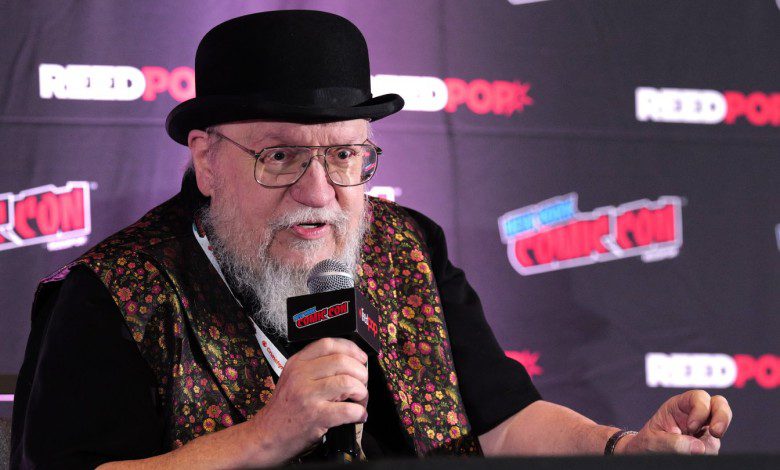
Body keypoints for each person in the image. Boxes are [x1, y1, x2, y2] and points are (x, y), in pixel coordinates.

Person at [11, 10, 732, 469]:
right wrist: (268, 435)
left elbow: (505, 422)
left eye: (344, 154)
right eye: (282, 156)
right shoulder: (114, 291)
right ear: (206, 158)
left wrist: (622, 447)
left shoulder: (409, 247)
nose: (320, 191)